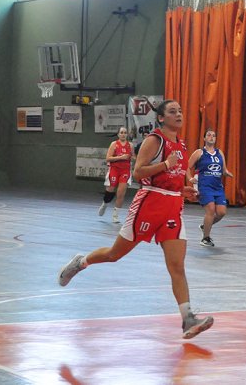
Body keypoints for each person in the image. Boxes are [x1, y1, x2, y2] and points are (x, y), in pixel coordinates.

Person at [58, 100, 214, 339]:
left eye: (181, 111)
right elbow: (138, 172)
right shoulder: (155, 140)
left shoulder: (182, 145)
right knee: (114, 254)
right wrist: (164, 164)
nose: (179, 114)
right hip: (149, 204)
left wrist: (184, 190)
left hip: (172, 207)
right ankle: (81, 261)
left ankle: (187, 319)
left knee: (177, 266)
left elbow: (171, 179)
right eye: (173, 112)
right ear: (161, 118)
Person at [186, 129, 234, 247]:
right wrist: (190, 178)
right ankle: (205, 238)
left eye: (213, 135)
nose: (211, 137)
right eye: (209, 135)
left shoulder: (219, 153)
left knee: (221, 212)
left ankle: (205, 226)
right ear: (204, 138)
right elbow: (187, 167)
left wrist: (227, 173)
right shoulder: (199, 153)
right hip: (204, 186)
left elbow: (223, 169)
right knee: (211, 210)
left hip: (217, 187)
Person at [99, 126, 134, 223]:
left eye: (125, 132)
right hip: (114, 169)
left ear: (127, 134)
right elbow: (108, 158)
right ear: (118, 134)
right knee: (110, 191)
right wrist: (121, 157)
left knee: (121, 193)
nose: (123, 134)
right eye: (121, 132)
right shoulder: (114, 144)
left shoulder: (130, 145)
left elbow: (133, 157)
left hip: (125, 171)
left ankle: (115, 215)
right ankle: (105, 204)